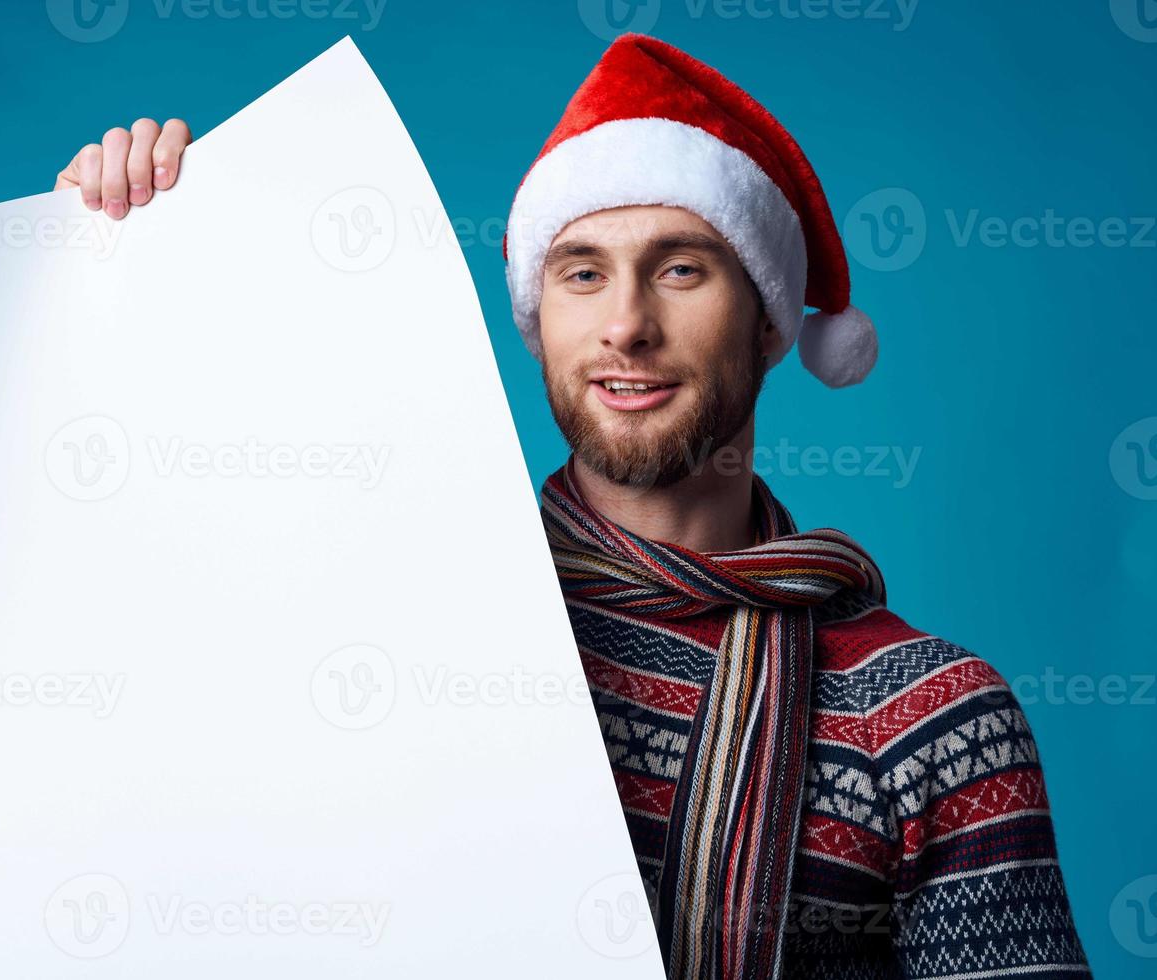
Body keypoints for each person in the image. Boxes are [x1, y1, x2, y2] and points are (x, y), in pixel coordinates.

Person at [53, 32, 1090, 980]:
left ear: (768, 317)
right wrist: (119, 265)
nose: (626, 324)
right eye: (582, 273)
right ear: (538, 322)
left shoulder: (933, 715)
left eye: (681, 269)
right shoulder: (387, 625)